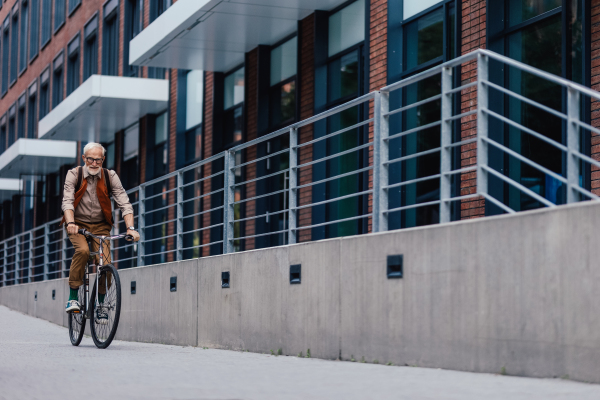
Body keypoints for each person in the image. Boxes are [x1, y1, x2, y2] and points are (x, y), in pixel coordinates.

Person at [62, 143, 140, 323]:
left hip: (101, 226)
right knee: (82, 251)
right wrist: (71, 222)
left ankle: (102, 305)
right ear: (84, 159)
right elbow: (67, 201)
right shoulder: (74, 174)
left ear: (103, 160)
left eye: (98, 159)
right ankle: (73, 296)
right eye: (91, 159)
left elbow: (124, 203)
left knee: (105, 263)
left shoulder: (110, 176)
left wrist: (131, 228)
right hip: (78, 224)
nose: (94, 163)